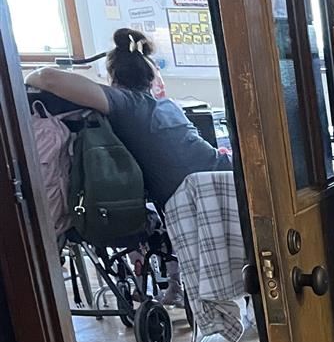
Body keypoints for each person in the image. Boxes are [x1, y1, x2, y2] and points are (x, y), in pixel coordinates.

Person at [25, 27, 231, 209]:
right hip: (225, 174)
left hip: (207, 192)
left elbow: (47, 78)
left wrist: (26, 79)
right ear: (150, 76)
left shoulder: (126, 103)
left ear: (113, 77)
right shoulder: (165, 106)